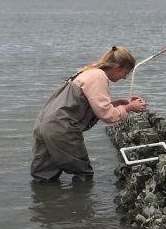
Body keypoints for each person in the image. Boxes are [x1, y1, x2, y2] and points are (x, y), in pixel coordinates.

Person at [31, 45, 148, 182]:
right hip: (61, 130)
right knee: (83, 174)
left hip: (44, 125)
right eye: (126, 72)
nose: (125, 78)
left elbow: (88, 104)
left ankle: (46, 202)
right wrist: (129, 108)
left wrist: (122, 102)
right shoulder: (99, 77)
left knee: (43, 176)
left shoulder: (89, 72)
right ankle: (80, 202)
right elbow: (107, 115)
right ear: (118, 68)